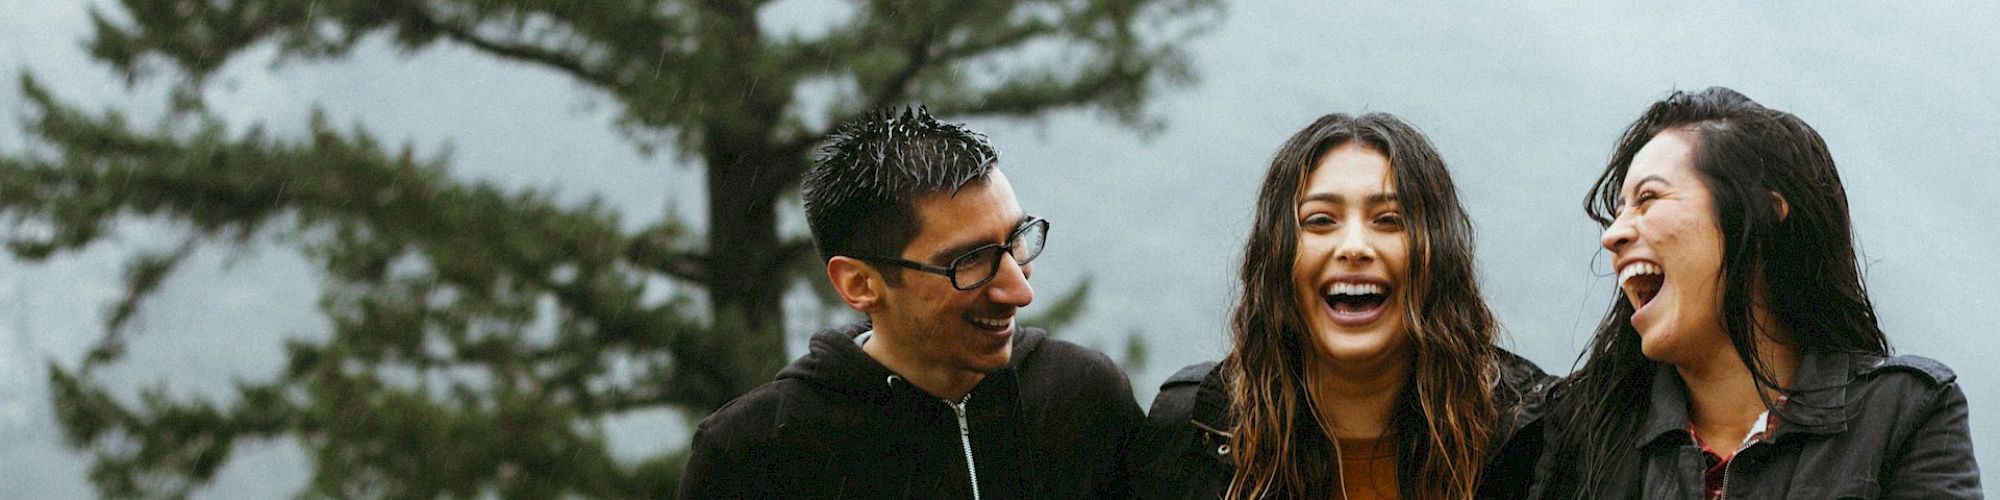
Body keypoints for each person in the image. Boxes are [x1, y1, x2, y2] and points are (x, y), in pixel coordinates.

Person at [1530, 87, 1981, 499]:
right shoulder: (1584, 435)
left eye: (1648, 198)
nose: (1613, 235)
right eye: (1617, 212)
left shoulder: (1904, 413)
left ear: (1761, 217)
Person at [676, 108, 1143, 499]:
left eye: (1016, 242)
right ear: (859, 283)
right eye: (968, 261)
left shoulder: (1086, 399)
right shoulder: (753, 457)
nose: (1019, 291)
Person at [1130, 112, 1553, 499]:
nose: (1354, 247)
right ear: (1275, 259)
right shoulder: (1192, 430)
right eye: (1320, 220)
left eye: (1389, 220)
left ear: (1437, 258)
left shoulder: (1532, 439)